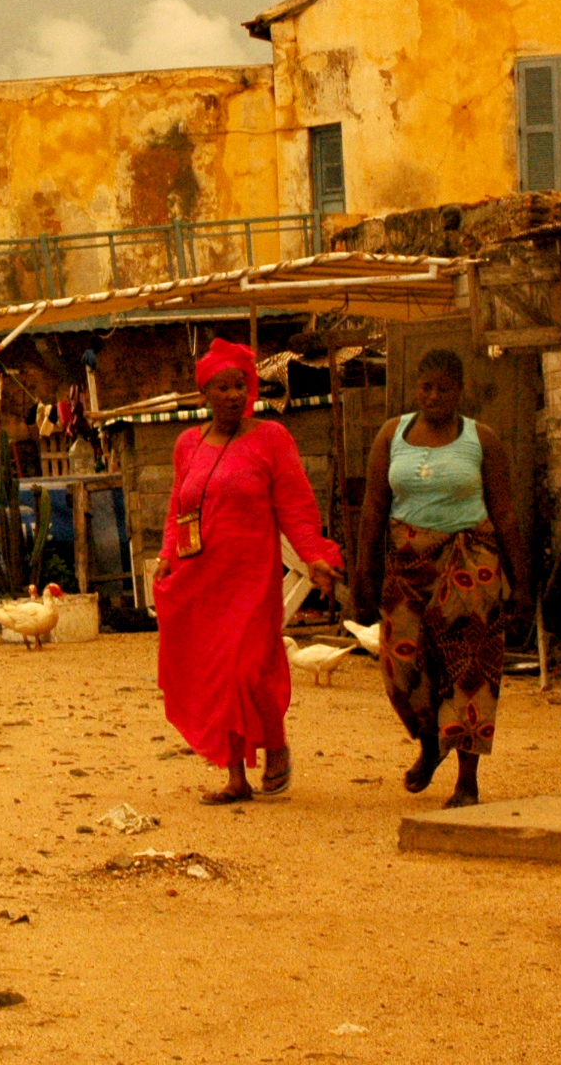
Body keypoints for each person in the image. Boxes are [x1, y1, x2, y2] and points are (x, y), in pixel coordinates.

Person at [155, 337, 343, 805]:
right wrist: (165, 556)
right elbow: (178, 507)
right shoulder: (187, 445)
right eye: (224, 387)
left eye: (242, 385)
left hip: (252, 579)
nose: (235, 395)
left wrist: (315, 554)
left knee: (247, 669)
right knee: (215, 674)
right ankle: (235, 776)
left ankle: (275, 741)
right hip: (202, 579)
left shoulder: (272, 439)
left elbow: (296, 504)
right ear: (205, 394)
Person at [353, 348, 531, 809]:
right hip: (408, 565)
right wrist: (364, 575)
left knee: (471, 669)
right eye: (426, 387)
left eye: (444, 388)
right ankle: (431, 744)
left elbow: (506, 513)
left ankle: (466, 780)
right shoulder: (393, 434)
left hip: (472, 564)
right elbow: (373, 508)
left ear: (460, 391)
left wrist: (522, 583)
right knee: (401, 668)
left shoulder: (481, 439)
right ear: (417, 389)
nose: (434, 396)